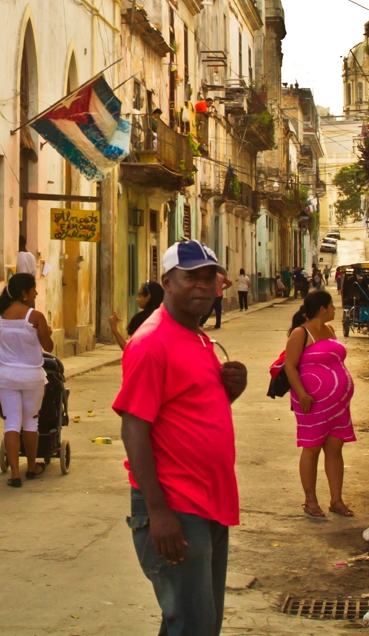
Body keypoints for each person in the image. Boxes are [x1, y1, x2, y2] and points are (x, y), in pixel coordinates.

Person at [115, 240, 248, 636]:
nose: (203, 285)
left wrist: (230, 391)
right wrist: (158, 512)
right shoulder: (152, 342)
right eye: (191, 276)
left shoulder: (197, 337)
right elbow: (134, 426)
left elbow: (189, 412)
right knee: (194, 626)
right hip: (176, 505)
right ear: (167, 282)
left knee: (195, 624)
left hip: (209, 504)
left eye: (210, 276)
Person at [282, 290, 355, 519]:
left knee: (335, 449)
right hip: (311, 403)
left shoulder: (330, 330)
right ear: (322, 309)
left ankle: (336, 500)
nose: (335, 310)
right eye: (332, 306)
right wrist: (302, 393)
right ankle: (310, 500)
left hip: (338, 406)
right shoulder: (300, 333)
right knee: (312, 448)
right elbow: (290, 366)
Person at [0, 272, 54, 487]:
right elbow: (49, 347)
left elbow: (0, 346)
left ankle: (14, 474)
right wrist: (48, 333)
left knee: (11, 423)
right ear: (24, 293)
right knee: (31, 422)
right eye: (34, 289)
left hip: (6, 376)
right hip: (31, 377)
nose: (36, 292)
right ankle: (32, 466)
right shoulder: (35, 317)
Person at [109, 280, 164, 348]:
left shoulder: (140, 319)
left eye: (139, 296)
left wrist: (114, 329)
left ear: (148, 297)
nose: (137, 299)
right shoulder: (168, 318)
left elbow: (129, 349)